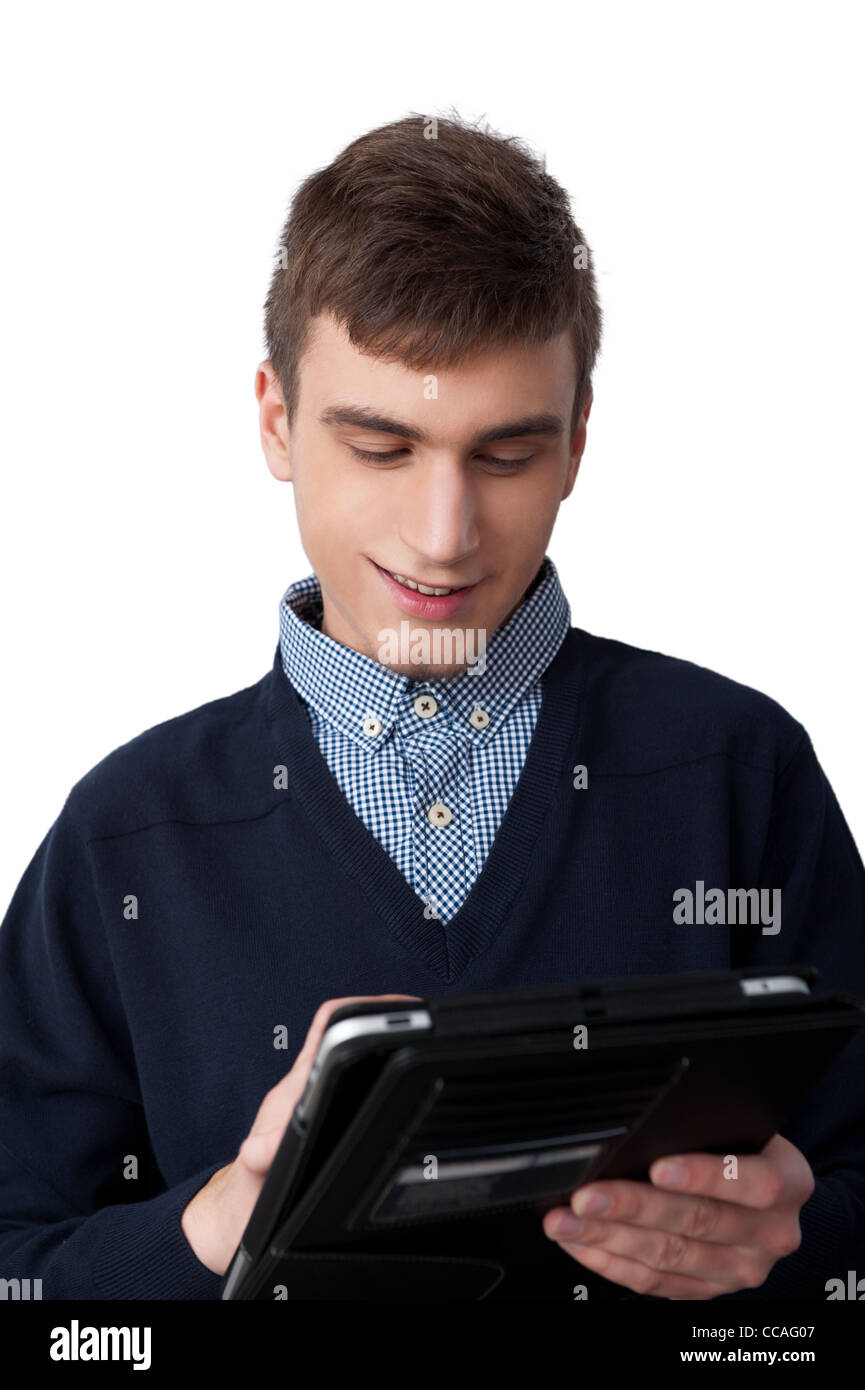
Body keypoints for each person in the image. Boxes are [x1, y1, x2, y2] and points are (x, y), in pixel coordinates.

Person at [1, 112, 862, 1302]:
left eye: (505, 455)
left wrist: (794, 1249)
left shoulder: (739, 770)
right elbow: (19, 1276)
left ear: (576, 443)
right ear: (275, 422)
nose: (444, 537)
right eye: (382, 448)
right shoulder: (123, 836)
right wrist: (217, 1224)